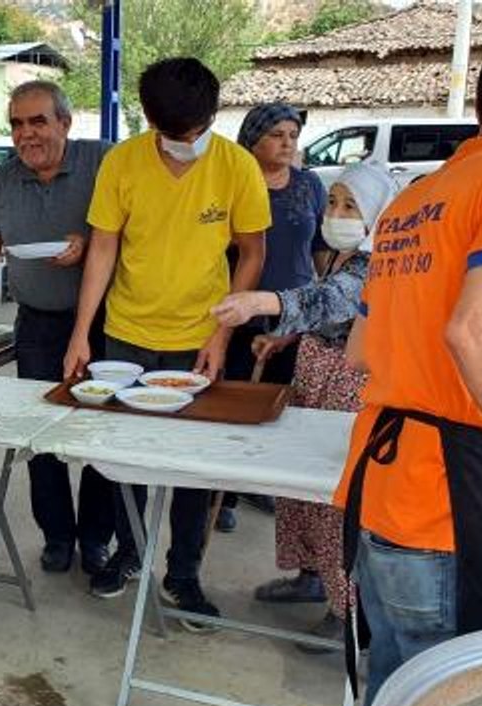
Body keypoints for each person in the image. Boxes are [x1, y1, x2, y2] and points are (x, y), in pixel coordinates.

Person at [331, 24, 482, 706]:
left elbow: (361, 351)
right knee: (460, 699)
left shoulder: (415, 199)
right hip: (446, 499)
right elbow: (476, 329)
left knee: (399, 689)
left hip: (378, 486)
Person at [64, 58, 271, 618]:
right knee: (126, 457)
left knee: (191, 465)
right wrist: (82, 332)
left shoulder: (236, 166)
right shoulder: (122, 162)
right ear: (151, 121)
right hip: (126, 335)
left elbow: (252, 253)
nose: (189, 144)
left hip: (197, 337)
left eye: (199, 132)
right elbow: (103, 247)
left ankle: (183, 574)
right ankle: (130, 553)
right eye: (175, 136)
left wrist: (222, 333)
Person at [211, 161, 398, 651]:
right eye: (332, 202)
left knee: (334, 500)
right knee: (300, 494)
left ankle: (349, 612)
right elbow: (322, 314)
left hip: (346, 387)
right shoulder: (341, 255)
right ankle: (311, 577)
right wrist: (285, 337)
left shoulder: (374, 262)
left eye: (350, 205)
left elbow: (328, 302)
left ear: (379, 212)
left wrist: (260, 304)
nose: (335, 213)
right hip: (314, 375)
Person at [0, 80, 116, 577]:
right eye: (18, 124)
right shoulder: (2, 181)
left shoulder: (103, 161)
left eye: (38, 121)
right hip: (36, 324)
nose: (26, 134)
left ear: (64, 123)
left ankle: (96, 539)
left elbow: (137, 233)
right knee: (41, 434)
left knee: (98, 433)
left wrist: (90, 242)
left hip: (106, 323)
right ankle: (57, 537)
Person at [216, 102, 326, 533]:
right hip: (239, 310)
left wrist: (324, 300)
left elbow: (319, 246)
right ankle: (221, 491)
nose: (287, 143)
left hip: (294, 313)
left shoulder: (310, 185)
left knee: (280, 406)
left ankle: (259, 481)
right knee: (233, 401)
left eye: (292, 136)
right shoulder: (231, 183)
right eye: (277, 134)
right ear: (252, 138)